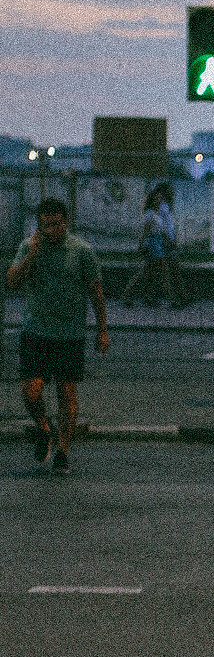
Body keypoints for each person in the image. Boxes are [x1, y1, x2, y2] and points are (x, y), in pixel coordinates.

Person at [6, 197, 109, 476]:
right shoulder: (29, 247)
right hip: (36, 330)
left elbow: (96, 292)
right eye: (46, 225)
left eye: (57, 224)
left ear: (66, 222)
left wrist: (102, 329)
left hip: (69, 334)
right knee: (31, 390)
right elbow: (11, 282)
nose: (52, 230)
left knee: (67, 393)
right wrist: (31, 256)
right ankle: (43, 427)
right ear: (39, 225)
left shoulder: (81, 251)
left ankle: (62, 450)